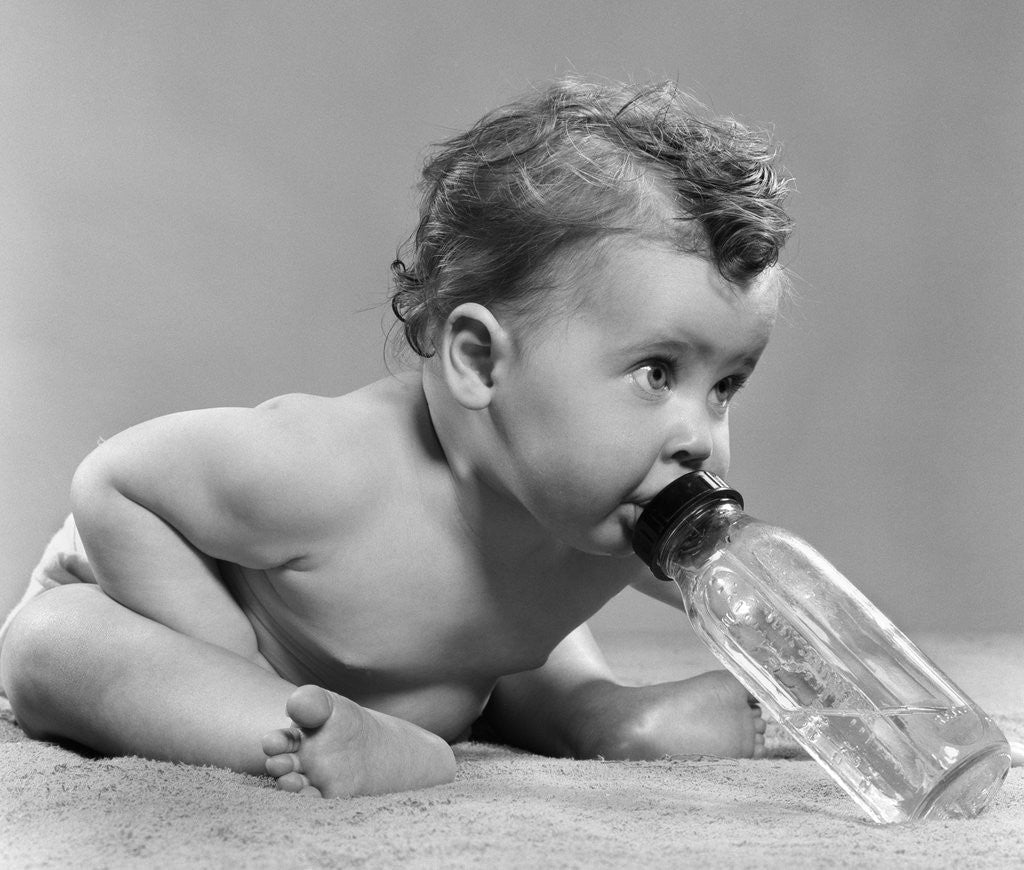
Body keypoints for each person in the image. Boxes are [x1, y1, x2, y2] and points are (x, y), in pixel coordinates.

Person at [0, 79, 795, 798]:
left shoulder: (612, 509)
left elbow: (758, 607)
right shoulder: (324, 472)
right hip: (154, 608)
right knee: (54, 644)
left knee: (513, 610)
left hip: (446, 659)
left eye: (724, 386)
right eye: (658, 372)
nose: (698, 436)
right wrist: (227, 662)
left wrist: (806, 654)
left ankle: (598, 714)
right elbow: (114, 482)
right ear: (479, 361)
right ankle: (288, 727)